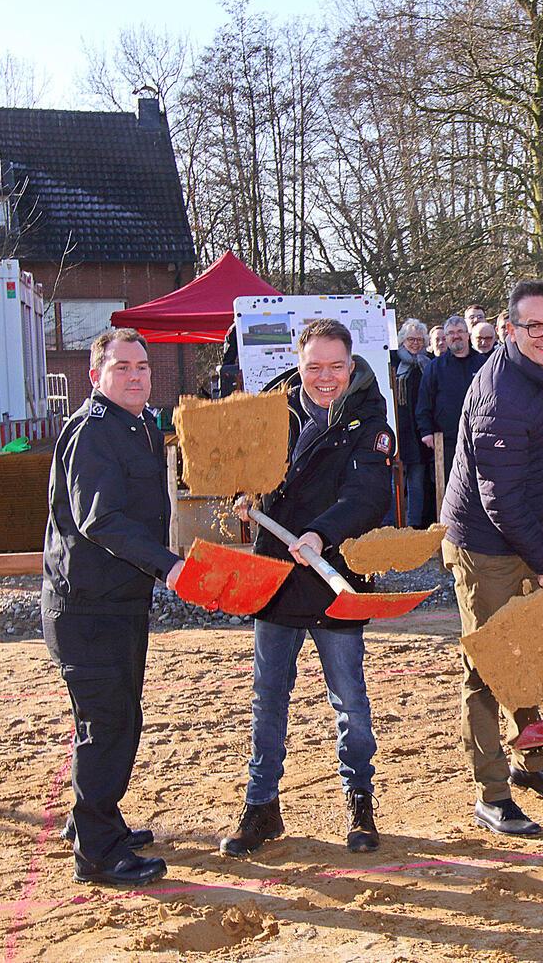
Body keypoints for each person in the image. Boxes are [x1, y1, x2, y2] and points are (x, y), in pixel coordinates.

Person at [220, 319, 395, 858]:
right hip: (276, 574)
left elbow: (368, 492)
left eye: (335, 366)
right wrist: (242, 497)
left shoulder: (370, 418)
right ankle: (261, 805)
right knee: (268, 696)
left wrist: (323, 532)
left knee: (350, 699)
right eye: (314, 366)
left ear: (351, 365)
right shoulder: (272, 410)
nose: (325, 377)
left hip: (335, 574)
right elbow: (244, 471)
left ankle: (359, 801)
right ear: (299, 366)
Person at [441, 279, 543, 837]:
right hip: (486, 546)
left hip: (518, 534)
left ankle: (532, 765)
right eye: (535, 327)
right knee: (489, 666)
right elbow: (500, 500)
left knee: (531, 653)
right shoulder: (502, 394)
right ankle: (492, 793)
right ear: (510, 329)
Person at [42, 329, 185, 886]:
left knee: (116, 718)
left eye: (143, 367)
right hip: (87, 608)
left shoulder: (140, 426)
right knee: (109, 725)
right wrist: (167, 565)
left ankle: (93, 822)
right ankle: (98, 853)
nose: (135, 376)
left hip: (118, 603)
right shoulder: (94, 432)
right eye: (122, 367)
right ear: (95, 375)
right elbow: (99, 519)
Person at [416, 315, 488, 497]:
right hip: (447, 441)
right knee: (451, 490)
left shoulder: (484, 364)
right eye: (451, 333)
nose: (456, 336)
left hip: (479, 439)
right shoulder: (435, 367)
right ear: (446, 337)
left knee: (481, 489)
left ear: (467, 335)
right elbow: (424, 402)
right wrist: (426, 432)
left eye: (459, 332)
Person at [393, 319, 433, 527]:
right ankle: (393, 525)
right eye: (411, 339)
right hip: (397, 431)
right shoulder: (392, 361)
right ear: (402, 340)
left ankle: (413, 525)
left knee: (416, 483)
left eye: (419, 339)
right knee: (394, 483)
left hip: (418, 435)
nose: (415, 343)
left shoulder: (429, 363)